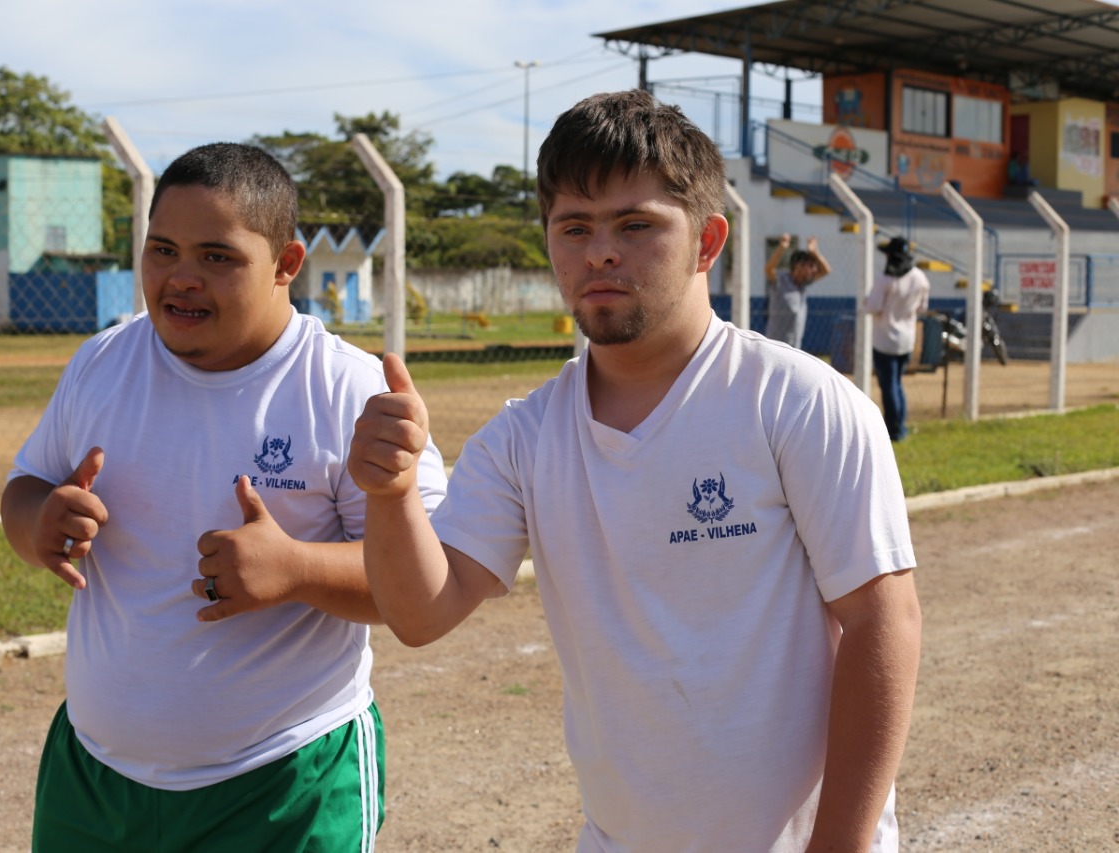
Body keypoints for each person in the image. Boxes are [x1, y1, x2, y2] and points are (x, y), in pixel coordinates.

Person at [351, 90, 922, 852]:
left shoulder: (796, 401)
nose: (600, 252)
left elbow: (884, 622)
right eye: (574, 227)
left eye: (636, 224)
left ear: (708, 241)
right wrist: (390, 496)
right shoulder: (525, 437)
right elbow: (422, 614)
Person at [1, 142, 447, 852]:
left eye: (217, 256)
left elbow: (425, 587)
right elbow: (25, 486)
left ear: (287, 264)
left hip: (283, 783)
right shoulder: (103, 362)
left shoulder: (346, 389)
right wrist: (40, 520)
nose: (182, 277)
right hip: (93, 774)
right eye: (163, 249)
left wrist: (297, 568)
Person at [867, 236, 930, 442]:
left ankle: (893, 430)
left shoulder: (885, 279)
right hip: (906, 339)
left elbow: (873, 307)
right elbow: (922, 308)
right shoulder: (920, 278)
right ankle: (900, 425)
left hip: (885, 340)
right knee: (897, 383)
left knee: (889, 386)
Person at [764, 232, 831, 349]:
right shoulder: (781, 280)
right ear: (798, 265)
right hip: (775, 346)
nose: (814, 270)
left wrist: (814, 252)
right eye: (810, 266)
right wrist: (781, 248)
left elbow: (826, 270)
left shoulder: (803, 285)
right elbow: (769, 269)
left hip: (794, 346)